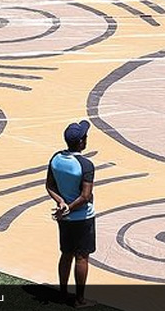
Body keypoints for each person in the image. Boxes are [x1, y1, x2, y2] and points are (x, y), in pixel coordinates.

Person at [46, 120, 96, 308]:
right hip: (83, 217)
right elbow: (85, 196)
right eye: (85, 137)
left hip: (64, 218)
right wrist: (69, 207)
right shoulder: (86, 165)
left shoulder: (56, 158)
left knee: (66, 254)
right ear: (81, 142)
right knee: (82, 257)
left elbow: (49, 185)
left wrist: (61, 204)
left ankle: (63, 293)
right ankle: (80, 299)